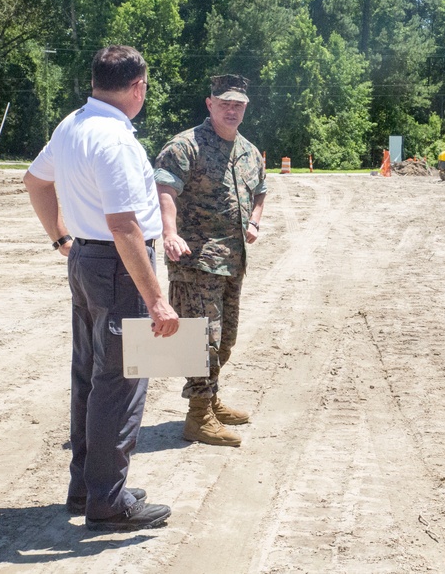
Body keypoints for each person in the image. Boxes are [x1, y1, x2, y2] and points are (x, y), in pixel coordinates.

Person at [23, 45, 178, 531]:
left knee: (90, 376)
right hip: (117, 264)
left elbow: (34, 181)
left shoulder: (71, 126)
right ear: (137, 87)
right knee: (122, 381)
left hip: (86, 259)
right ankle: (108, 502)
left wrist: (61, 238)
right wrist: (157, 300)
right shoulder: (115, 140)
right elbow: (126, 225)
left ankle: (88, 486)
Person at [154, 75, 267, 447]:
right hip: (196, 260)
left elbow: (261, 191)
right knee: (202, 339)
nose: (232, 110)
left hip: (233, 261)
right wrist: (169, 232)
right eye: (225, 103)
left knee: (226, 338)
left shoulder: (249, 151)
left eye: (239, 105)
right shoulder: (186, 145)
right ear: (210, 103)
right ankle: (197, 417)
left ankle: (212, 399)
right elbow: (165, 188)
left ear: (246, 107)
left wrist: (253, 221)